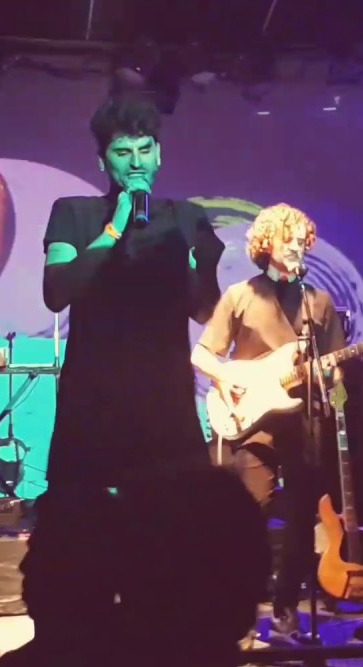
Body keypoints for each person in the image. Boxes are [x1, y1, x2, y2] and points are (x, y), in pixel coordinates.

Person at [41, 92, 225, 492]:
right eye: (123, 152)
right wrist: (114, 229)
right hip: (94, 398)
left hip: (166, 399)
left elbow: (203, 311)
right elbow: (56, 292)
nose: (136, 162)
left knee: (174, 514)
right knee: (86, 516)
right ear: (102, 161)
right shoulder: (74, 212)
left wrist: (206, 264)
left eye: (145, 150)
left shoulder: (186, 217)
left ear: (159, 155)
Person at [191, 203, 346, 640]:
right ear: (266, 244)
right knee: (249, 516)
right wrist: (230, 378)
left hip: (304, 423)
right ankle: (238, 612)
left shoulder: (318, 302)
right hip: (253, 423)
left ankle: (285, 611)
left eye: (302, 238)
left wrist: (333, 387)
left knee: (300, 522)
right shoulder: (240, 295)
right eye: (287, 237)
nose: (296, 244)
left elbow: (335, 367)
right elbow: (202, 354)